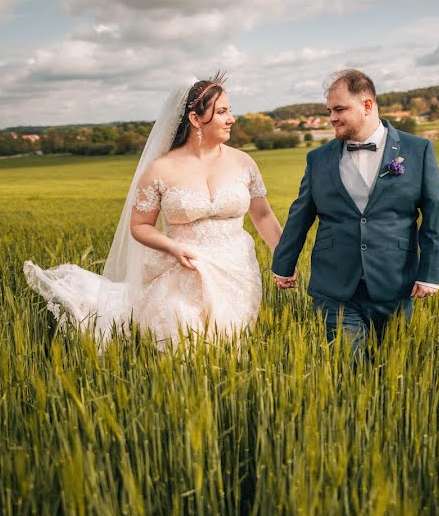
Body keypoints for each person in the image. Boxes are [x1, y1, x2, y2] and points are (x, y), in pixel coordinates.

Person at [24, 73, 283, 347]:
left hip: (236, 270)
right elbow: (140, 225)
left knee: (229, 345)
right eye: (221, 112)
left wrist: (284, 259)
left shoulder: (244, 163)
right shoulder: (161, 169)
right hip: (181, 268)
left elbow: (263, 215)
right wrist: (172, 247)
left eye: (230, 110)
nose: (231, 118)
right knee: (183, 341)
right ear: (195, 119)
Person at [271, 69, 439, 349]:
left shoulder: (418, 150)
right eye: (329, 110)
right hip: (334, 287)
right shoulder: (318, 159)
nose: (332, 117)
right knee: (349, 372)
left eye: (339, 109)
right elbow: (302, 212)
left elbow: (435, 213)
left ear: (367, 105)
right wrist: (283, 264)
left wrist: (430, 273)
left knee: (393, 375)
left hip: (395, 284)